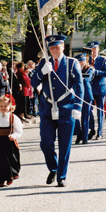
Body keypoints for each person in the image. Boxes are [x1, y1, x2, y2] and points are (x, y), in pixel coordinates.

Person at [30, 34, 83, 187]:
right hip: (47, 108)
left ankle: (62, 176)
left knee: (65, 144)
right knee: (46, 143)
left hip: (66, 108)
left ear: (63, 47)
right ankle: (53, 168)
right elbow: (34, 82)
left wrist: (78, 107)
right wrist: (41, 72)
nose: (54, 50)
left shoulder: (72, 63)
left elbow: (79, 86)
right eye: (52, 47)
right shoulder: (44, 63)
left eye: (57, 47)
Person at [0, 97, 23, 187]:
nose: (3, 108)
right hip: (0, 141)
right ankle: (1, 179)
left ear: (10, 107)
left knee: (10, 159)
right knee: (0, 160)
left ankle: (10, 177)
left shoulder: (13, 117)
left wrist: (14, 136)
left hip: (10, 141)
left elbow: (19, 130)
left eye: (5, 106)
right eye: (1, 106)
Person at [85, 41, 106, 140]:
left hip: (100, 87)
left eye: (95, 49)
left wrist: (95, 71)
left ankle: (100, 133)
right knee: (88, 110)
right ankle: (92, 129)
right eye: (92, 49)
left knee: (100, 111)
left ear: (98, 49)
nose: (93, 51)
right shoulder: (87, 59)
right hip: (89, 88)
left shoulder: (103, 60)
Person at [74, 53, 94, 145]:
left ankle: (85, 137)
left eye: (83, 61)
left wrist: (78, 76)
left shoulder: (90, 69)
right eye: (80, 61)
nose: (81, 63)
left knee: (85, 117)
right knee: (76, 117)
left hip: (86, 95)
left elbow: (87, 79)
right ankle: (79, 134)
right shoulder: (74, 69)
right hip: (77, 95)